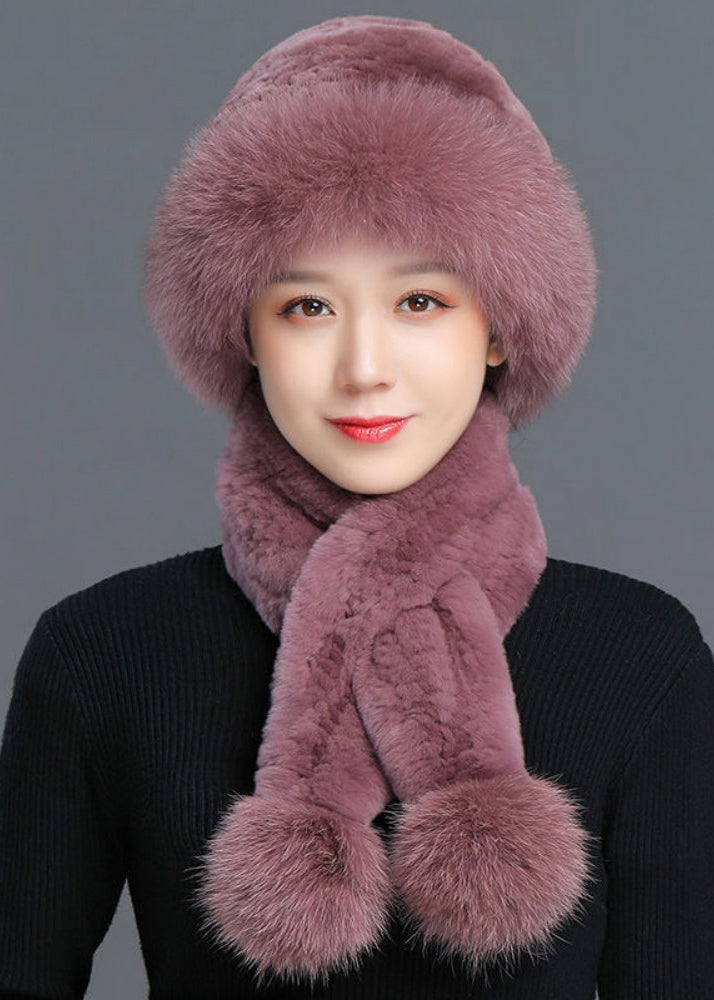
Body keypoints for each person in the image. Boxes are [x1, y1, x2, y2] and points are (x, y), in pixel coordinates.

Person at [1, 14, 713, 1000]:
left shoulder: (641, 656)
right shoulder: (102, 653)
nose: (364, 367)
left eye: (420, 302)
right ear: (245, 334)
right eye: (308, 307)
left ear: (498, 329)